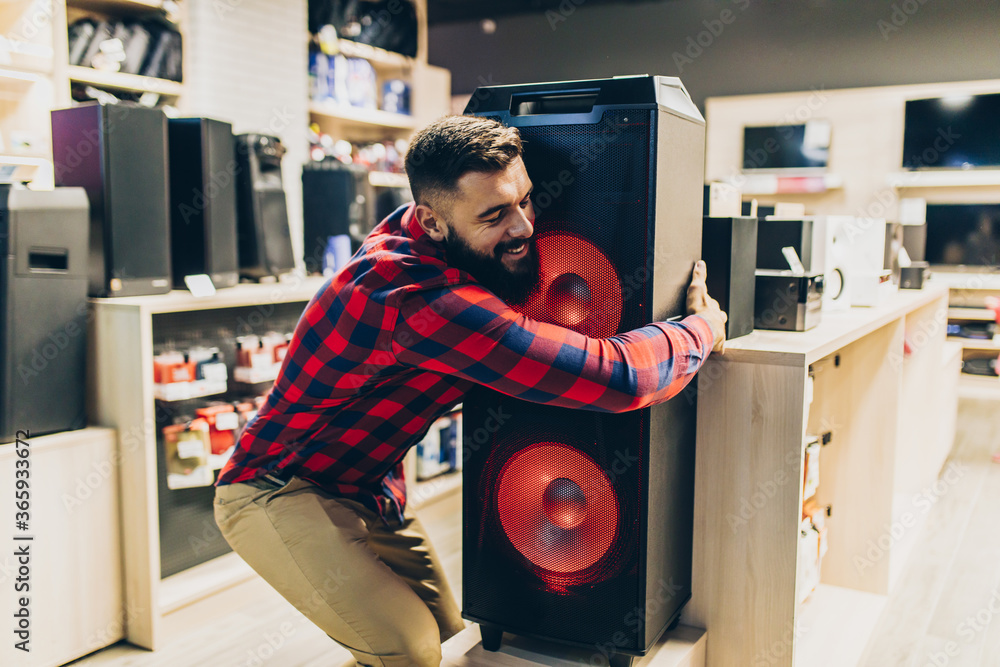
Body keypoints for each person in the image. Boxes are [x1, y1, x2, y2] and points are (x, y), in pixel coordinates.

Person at [213, 115, 727, 667]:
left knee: (453, 635)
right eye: (495, 215)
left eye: (525, 200)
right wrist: (702, 328)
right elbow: (620, 379)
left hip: (365, 485)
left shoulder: (424, 231)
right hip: (275, 489)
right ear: (433, 222)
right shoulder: (419, 300)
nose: (525, 227)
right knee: (409, 648)